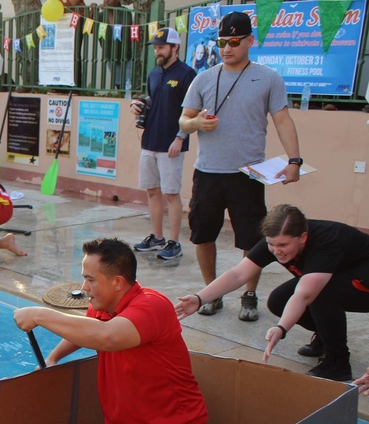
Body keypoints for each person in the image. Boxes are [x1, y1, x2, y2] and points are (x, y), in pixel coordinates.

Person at [13, 237, 209, 424]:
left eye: (90, 279)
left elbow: (108, 336)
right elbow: (88, 328)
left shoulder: (152, 306)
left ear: (117, 282)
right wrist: (54, 357)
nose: (84, 288)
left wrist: (41, 314)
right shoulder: (103, 306)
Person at [179, 12, 303, 322]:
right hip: (208, 172)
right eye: (222, 42)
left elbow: (283, 121)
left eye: (235, 41)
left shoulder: (268, 77)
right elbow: (184, 120)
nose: (227, 48)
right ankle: (212, 291)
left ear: (250, 41)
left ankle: (249, 293)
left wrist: (294, 160)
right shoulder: (204, 78)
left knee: (252, 239)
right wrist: (196, 123)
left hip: (248, 174)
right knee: (203, 235)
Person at [175, 205, 369, 382]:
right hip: (342, 273)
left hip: (364, 279)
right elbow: (238, 274)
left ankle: (338, 363)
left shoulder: (325, 242)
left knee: (321, 292)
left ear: (302, 237)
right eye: (271, 244)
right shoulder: (277, 239)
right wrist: (200, 298)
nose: (277, 251)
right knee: (279, 301)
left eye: (283, 245)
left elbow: (304, 295)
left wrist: (281, 328)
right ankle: (325, 337)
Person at [130, 28, 195, 261]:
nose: (157, 51)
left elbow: (193, 110)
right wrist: (137, 103)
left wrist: (180, 138)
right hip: (150, 141)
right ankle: (156, 237)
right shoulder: (154, 74)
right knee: (152, 190)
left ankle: (174, 242)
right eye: (156, 47)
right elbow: (152, 98)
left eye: (161, 47)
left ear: (175, 47)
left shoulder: (187, 74)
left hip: (171, 144)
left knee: (171, 193)